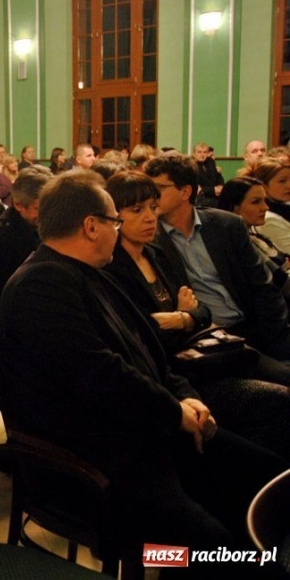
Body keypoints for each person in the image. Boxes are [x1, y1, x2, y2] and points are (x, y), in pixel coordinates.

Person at [0, 170, 287, 577]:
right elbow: (100, 378)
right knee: (213, 547)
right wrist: (174, 413)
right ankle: (182, 561)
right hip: (97, 461)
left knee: (268, 479)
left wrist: (188, 399)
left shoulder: (89, 271)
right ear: (91, 226)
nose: (119, 229)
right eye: (116, 220)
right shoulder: (41, 284)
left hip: (144, 431)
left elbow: (151, 352)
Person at [105, 171, 290, 458]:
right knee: (277, 402)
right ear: (114, 217)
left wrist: (182, 317)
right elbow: (141, 332)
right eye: (136, 210)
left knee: (277, 398)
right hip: (178, 373)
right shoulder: (112, 265)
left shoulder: (157, 254)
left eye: (154, 208)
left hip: (205, 353)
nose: (150, 218)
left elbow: (201, 310)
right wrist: (184, 315)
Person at [148, 151, 290, 361]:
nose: (151, 196)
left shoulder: (226, 225)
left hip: (254, 327)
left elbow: (263, 287)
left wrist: (278, 343)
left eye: (158, 189)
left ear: (185, 191)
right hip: (210, 339)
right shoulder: (151, 239)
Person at [0, 165, 51, 299]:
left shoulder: (42, 224)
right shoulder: (0, 238)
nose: (47, 213)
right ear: (18, 205)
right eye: (39, 208)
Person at [245, 157, 290, 249]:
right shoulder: (267, 218)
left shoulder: (284, 207)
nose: (289, 186)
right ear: (263, 186)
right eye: (282, 181)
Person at [192, 142, 225, 208]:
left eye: (205, 152)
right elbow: (197, 187)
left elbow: (217, 176)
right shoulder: (192, 165)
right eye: (199, 152)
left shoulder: (210, 162)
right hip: (202, 197)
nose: (202, 155)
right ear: (194, 154)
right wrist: (213, 190)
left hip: (215, 195)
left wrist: (220, 186)